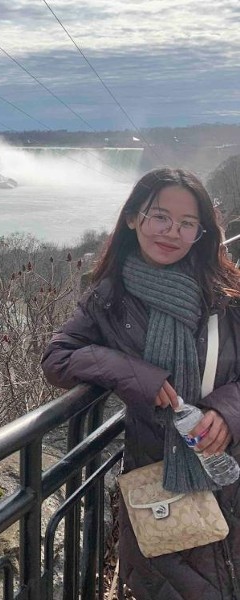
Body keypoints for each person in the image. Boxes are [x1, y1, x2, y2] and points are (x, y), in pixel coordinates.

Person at [41, 167, 240, 600]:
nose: (172, 232)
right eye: (160, 217)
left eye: (188, 223)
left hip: (230, 467)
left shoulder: (226, 292)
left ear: (201, 232)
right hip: (158, 484)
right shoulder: (109, 298)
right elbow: (57, 358)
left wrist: (227, 411)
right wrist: (134, 374)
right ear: (133, 218)